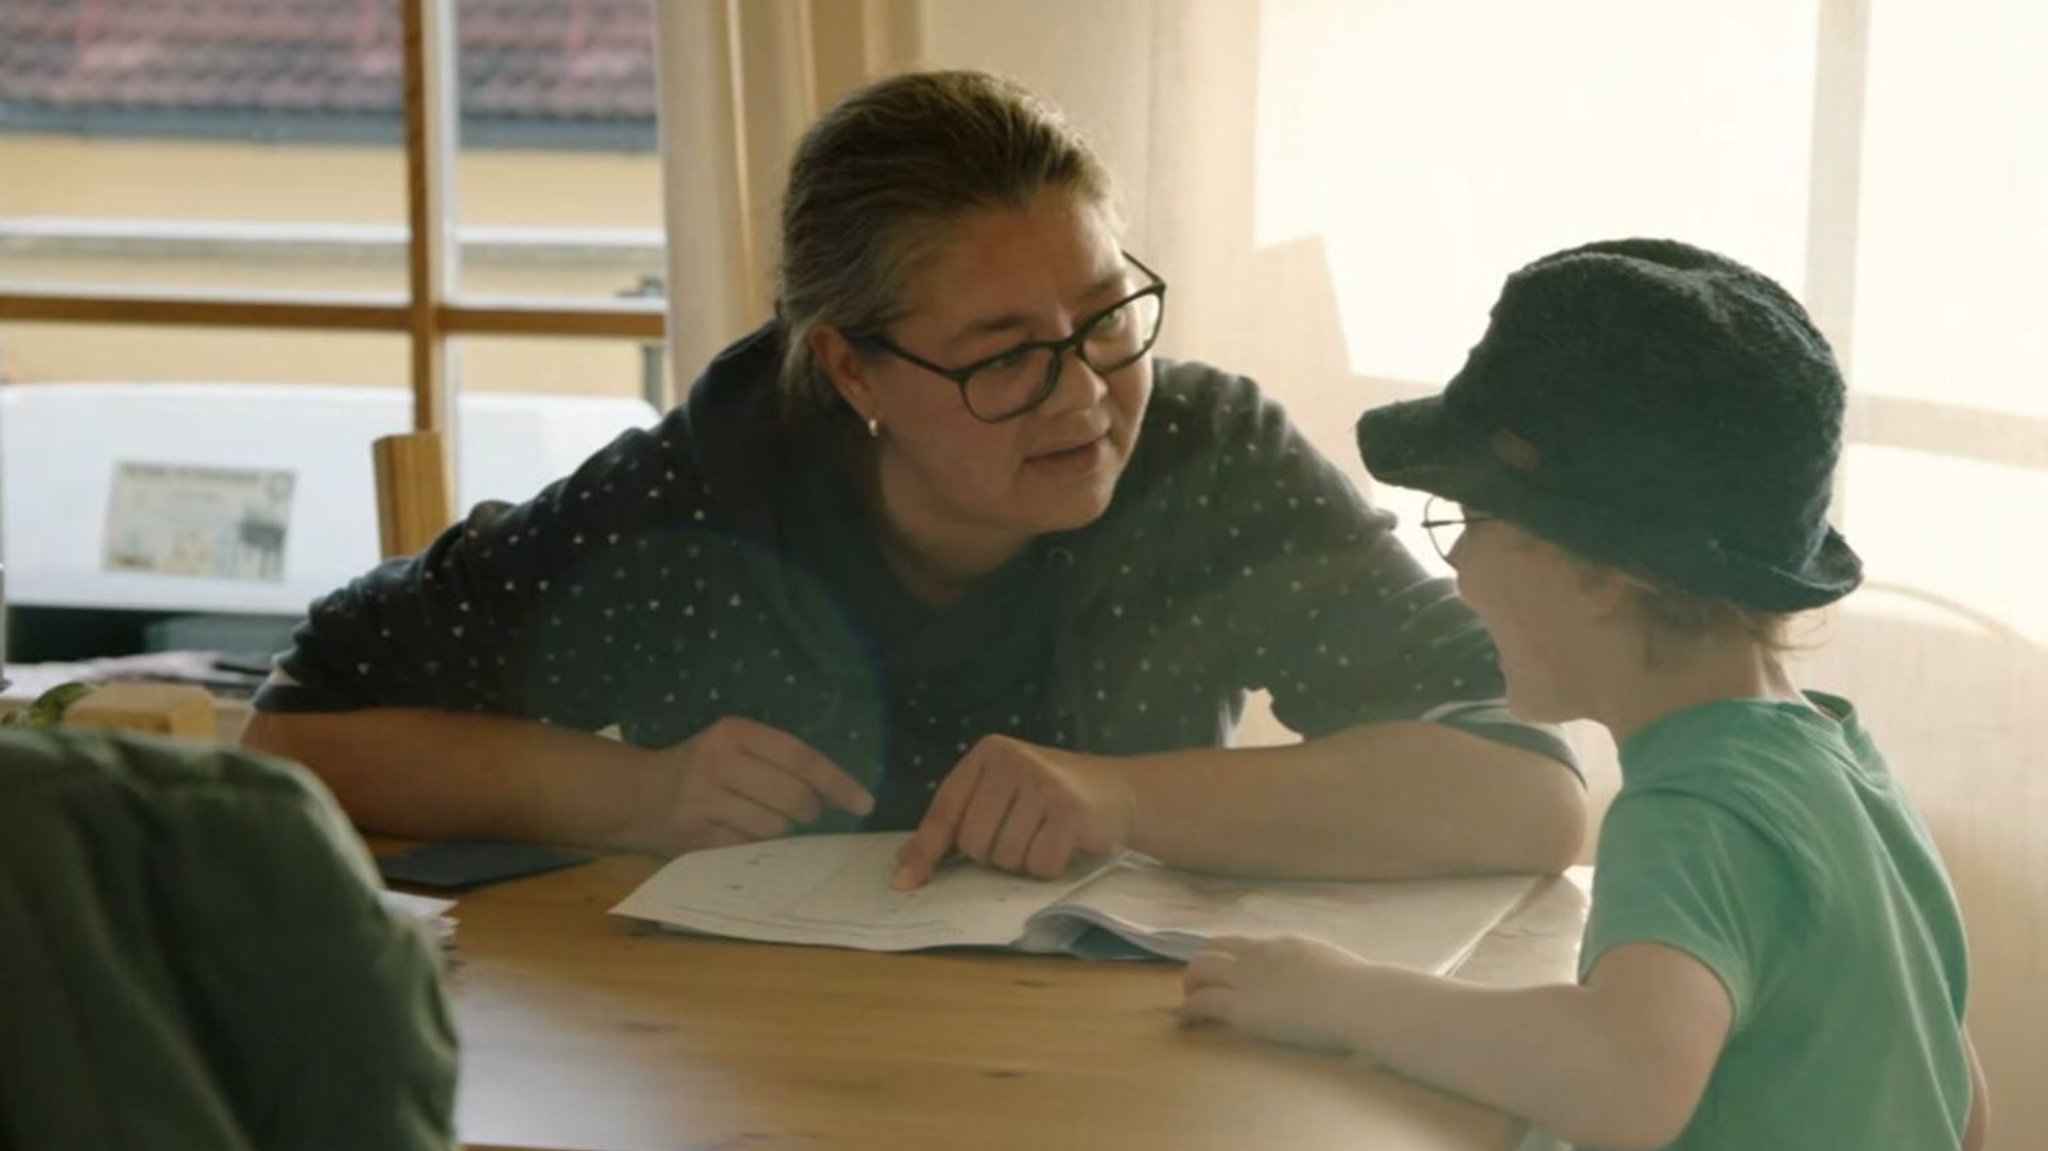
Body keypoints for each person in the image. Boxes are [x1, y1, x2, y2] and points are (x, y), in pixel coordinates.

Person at [241, 70, 1583, 887]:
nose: (1083, 395)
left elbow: (1533, 786)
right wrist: (632, 793)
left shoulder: (1203, 458)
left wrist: (1128, 795)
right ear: (853, 370)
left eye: (1108, 318)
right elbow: (297, 738)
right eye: (1002, 357)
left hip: (1114, 1070)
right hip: (764, 1072)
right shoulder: (706, 494)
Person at [1181, 239, 1988, 1149]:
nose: (1458, 572)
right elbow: (1959, 1100)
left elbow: (1627, 1081)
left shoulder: (1695, 811)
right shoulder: (1851, 774)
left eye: (1472, 524)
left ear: (1605, 571)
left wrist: (1339, 998)